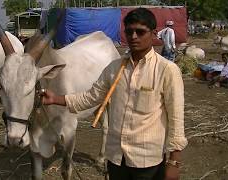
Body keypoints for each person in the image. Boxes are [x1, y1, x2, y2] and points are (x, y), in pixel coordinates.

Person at [41, 8, 187, 180]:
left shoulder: (167, 70)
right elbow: (91, 97)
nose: (133, 36)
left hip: (147, 161)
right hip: (116, 158)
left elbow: (176, 120)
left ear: (153, 34)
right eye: (129, 31)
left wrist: (174, 163)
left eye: (140, 32)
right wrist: (56, 99)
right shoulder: (114, 68)